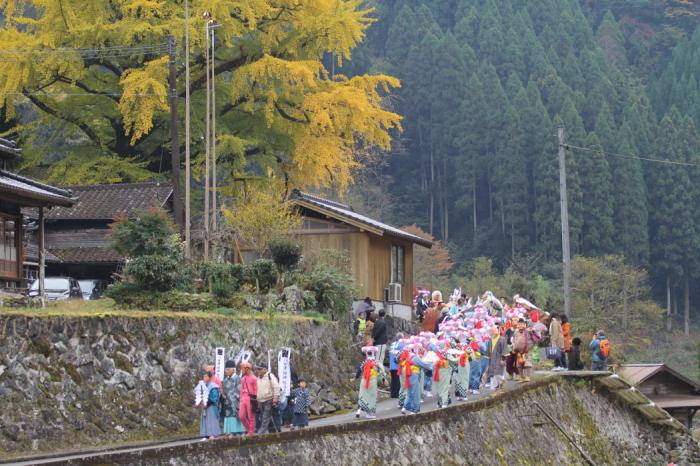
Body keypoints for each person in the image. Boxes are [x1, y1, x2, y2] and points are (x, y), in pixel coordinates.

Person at [355, 346, 384, 419]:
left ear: (366, 353)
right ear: (374, 353)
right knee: (372, 397)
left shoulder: (364, 362)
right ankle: (371, 413)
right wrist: (382, 379)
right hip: (373, 381)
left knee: (362, 395)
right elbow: (381, 372)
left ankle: (358, 410)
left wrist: (356, 377)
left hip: (364, 381)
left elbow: (359, 371)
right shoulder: (376, 362)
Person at [222, 360, 245, 436]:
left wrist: (233, 398)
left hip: (236, 405)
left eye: (228, 369)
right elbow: (224, 393)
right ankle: (230, 433)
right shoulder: (225, 380)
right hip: (227, 404)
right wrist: (223, 394)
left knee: (237, 422)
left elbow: (239, 393)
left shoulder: (238, 379)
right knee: (229, 418)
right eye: (226, 369)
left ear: (233, 369)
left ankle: (238, 433)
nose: (226, 371)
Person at [255, 364, 280, 434]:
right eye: (257, 369)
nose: (258, 371)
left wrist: (275, 398)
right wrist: (258, 400)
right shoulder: (258, 378)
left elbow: (276, 387)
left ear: (264, 369)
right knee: (266, 417)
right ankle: (273, 432)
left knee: (265, 417)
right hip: (261, 401)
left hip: (269, 399)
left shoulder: (270, 376)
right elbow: (258, 390)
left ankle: (260, 433)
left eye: (260, 369)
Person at [198, 371, 222, 439]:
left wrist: (207, 403)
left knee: (211, 420)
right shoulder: (203, 386)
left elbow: (214, 397)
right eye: (204, 377)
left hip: (211, 406)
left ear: (210, 377)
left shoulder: (213, 386)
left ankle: (213, 434)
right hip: (205, 405)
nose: (204, 378)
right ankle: (206, 434)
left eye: (206, 376)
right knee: (205, 420)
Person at [486, 325, 507, 390]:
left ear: (497, 331)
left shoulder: (502, 339)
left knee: (498, 373)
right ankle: (495, 389)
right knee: (492, 374)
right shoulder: (490, 340)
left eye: (494, 331)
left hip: (499, 359)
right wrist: (488, 359)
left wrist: (503, 359)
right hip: (492, 360)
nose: (492, 332)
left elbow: (504, 350)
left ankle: (501, 384)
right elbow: (488, 352)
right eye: (491, 331)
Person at [239, 361, 257, 436]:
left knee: (251, 416)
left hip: (251, 398)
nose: (241, 370)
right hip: (243, 398)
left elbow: (256, 390)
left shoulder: (254, 378)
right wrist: (240, 399)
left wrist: (256, 400)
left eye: (242, 368)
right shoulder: (243, 379)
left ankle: (251, 432)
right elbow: (241, 390)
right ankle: (250, 429)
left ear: (247, 369)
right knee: (241, 416)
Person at [388, 334, 405, 399]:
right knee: (398, 380)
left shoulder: (392, 344)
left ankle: (393, 394)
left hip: (391, 365)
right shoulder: (401, 344)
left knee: (393, 380)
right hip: (397, 365)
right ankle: (398, 394)